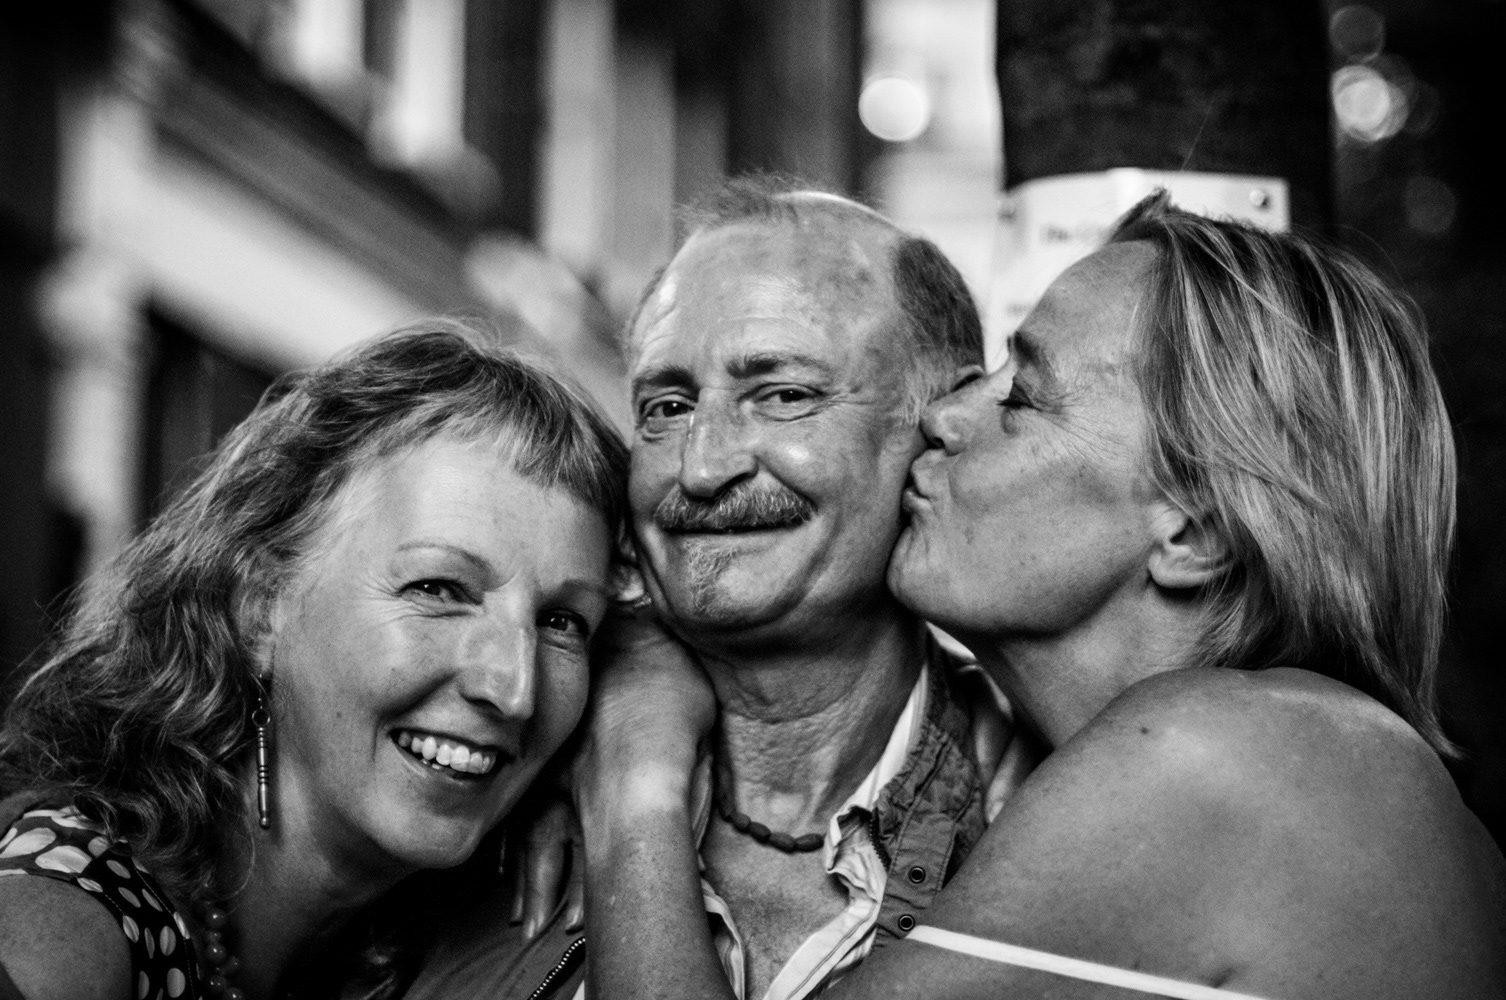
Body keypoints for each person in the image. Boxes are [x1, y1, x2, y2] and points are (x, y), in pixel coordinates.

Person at [573, 192, 1506, 1000]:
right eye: (663, 406)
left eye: (1024, 398)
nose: (943, 415)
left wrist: (633, 784)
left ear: (1197, 532)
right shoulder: (1305, 754)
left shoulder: (1224, 759)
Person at [405, 178, 1017, 1000]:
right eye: (666, 405)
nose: (700, 466)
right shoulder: (477, 767)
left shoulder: (1047, 808)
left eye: (785, 395)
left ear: (946, 425)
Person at [0, 324, 628, 1000]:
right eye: (439, 590)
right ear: (260, 609)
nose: (515, 689)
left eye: (562, 622)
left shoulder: (408, 936)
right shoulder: (70, 912)